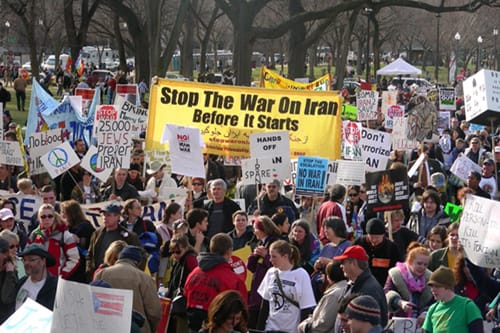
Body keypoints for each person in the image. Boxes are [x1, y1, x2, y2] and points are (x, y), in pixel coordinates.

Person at [184, 233, 248, 332]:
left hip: (192, 323)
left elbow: (186, 293)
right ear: (229, 251)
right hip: (218, 326)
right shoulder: (233, 279)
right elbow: (241, 307)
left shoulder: (194, 273)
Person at [94, 246, 162, 333]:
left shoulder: (102, 274)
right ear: (137, 261)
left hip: (105, 327)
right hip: (137, 328)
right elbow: (155, 312)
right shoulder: (144, 278)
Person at [256, 240, 316, 333]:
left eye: (274, 257)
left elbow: (306, 307)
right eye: (270, 256)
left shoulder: (301, 274)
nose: (270, 260)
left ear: (285, 257)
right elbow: (265, 303)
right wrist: (259, 329)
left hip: (291, 329)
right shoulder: (271, 272)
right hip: (271, 328)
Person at [333, 245, 388, 327]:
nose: (341, 266)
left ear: (353, 263)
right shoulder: (356, 284)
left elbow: (371, 326)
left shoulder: (369, 291)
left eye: (343, 262)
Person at [86, 203, 140, 279]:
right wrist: (89, 271)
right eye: (103, 215)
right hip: (98, 275)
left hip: (119, 277)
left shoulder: (129, 236)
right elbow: (90, 255)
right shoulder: (96, 234)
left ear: (117, 217)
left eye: (108, 215)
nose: (104, 217)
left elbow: (140, 256)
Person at [422, 266, 484, 333]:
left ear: (448, 286)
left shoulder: (467, 306)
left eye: (437, 286)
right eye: (431, 286)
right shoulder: (432, 309)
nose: (432, 290)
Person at [28, 204, 80, 279]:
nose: (47, 219)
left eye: (50, 216)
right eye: (43, 217)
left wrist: (62, 275)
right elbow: (27, 257)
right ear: (39, 219)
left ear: (54, 217)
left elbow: (74, 258)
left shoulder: (65, 235)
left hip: (55, 280)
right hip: (36, 279)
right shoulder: (34, 234)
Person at [246, 215, 281, 327]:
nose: (254, 231)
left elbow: (279, 266)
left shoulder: (275, 243)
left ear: (263, 229)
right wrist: (254, 256)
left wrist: (266, 256)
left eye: (256, 229)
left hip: (268, 288)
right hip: (257, 287)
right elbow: (251, 267)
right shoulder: (261, 243)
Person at [384, 242, 433, 321]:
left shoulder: (430, 278)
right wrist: (400, 302)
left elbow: (433, 301)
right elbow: (387, 292)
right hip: (398, 320)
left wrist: (425, 313)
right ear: (410, 262)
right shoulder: (396, 274)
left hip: (421, 322)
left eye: (425, 265)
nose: (422, 267)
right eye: (419, 263)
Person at [298, 261, 348, 333]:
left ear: (328, 276)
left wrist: (304, 327)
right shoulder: (346, 288)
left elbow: (324, 323)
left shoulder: (333, 295)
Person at [311, 216, 351, 300]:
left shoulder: (348, 246)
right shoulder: (327, 247)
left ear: (336, 229)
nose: (325, 231)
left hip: (339, 289)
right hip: (323, 286)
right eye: (324, 228)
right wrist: (318, 265)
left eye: (328, 228)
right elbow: (318, 269)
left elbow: (348, 266)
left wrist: (329, 262)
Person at [354, 218, 400, 286]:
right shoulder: (358, 244)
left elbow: (396, 269)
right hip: (361, 284)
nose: (374, 240)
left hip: (383, 285)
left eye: (377, 238)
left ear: (383, 235)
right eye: (371, 237)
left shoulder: (392, 248)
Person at [166, 235, 198, 332]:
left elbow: (196, 279)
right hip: (179, 303)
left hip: (184, 305)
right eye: (172, 252)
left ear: (186, 248)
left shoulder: (190, 259)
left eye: (178, 251)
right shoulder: (180, 261)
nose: (175, 255)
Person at [60, 200, 95, 283]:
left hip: (80, 266)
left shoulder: (85, 227)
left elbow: (91, 244)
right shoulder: (65, 227)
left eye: (63, 212)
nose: (62, 215)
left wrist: (79, 240)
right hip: (68, 264)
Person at [15, 244, 58, 311]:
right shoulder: (21, 282)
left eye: (31, 260)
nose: (26, 263)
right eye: (24, 260)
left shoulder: (54, 287)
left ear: (43, 261)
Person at [0, 238, 17, 323]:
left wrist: (9, 274)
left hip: (5, 321)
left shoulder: (11, 272)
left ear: (5, 254)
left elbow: (6, 298)